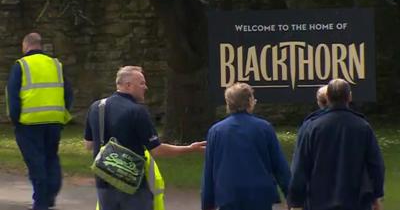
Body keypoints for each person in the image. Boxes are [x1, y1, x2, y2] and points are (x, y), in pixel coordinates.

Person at [84, 66, 206, 210]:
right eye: (141, 83)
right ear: (128, 85)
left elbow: (89, 144)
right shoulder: (137, 111)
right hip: (132, 185)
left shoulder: (97, 106)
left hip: (104, 182)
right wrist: (190, 148)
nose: (146, 87)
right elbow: (157, 150)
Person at [288, 79, 385, 210]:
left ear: (327, 97)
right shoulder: (363, 127)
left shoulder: (312, 127)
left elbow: (300, 166)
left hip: (318, 201)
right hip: (356, 202)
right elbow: (376, 165)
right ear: (349, 97)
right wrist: (376, 196)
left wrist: (296, 201)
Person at [6, 32, 73, 210]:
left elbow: (13, 96)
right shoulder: (56, 65)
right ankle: (50, 193)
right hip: (53, 121)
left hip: (29, 123)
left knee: (35, 161)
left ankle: (41, 202)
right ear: (40, 45)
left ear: (25, 45)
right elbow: (68, 92)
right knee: (51, 157)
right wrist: (63, 115)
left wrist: (15, 119)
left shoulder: (21, 65)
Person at [201, 82, 291, 210]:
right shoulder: (264, 128)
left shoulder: (216, 131)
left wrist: (207, 204)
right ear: (250, 101)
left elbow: (209, 171)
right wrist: (291, 196)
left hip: (228, 195)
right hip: (259, 196)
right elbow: (279, 166)